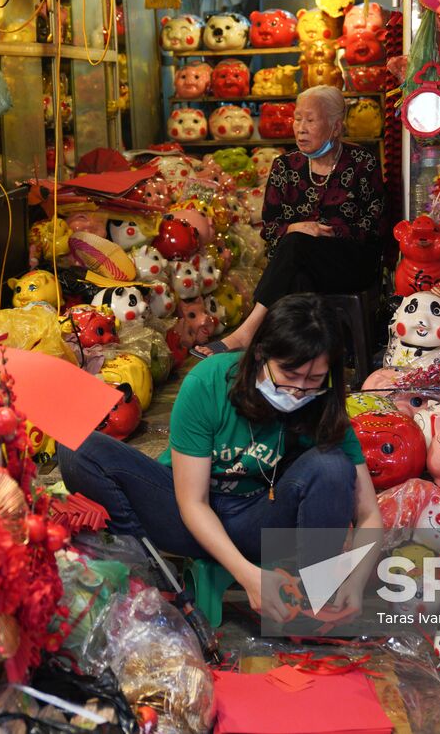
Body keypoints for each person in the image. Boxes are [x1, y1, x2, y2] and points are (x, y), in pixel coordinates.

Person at [56, 294, 383, 621]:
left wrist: (353, 583)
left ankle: (312, 599)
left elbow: (369, 513)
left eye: (313, 381)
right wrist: (247, 575)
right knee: (78, 448)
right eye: (289, 375)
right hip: (186, 515)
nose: (298, 392)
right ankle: (151, 566)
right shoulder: (209, 383)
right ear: (260, 354)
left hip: (259, 517)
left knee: (331, 466)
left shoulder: (321, 405)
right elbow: (193, 503)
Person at [194, 84, 385, 357]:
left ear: (335, 127)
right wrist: (294, 229)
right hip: (299, 261)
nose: (301, 127)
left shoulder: (362, 162)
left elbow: (375, 224)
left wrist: (325, 233)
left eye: (310, 119)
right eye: (297, 118)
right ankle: (298, 361)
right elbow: (270, 227)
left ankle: (251, 336)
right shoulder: (284, 166)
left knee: (298, 245)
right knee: (296, 266)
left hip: (348, 263)